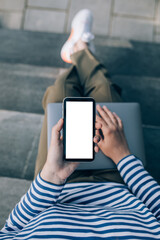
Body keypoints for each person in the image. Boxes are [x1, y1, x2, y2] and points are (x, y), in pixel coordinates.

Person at [1, 9, 160, 239]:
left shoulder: (52, 178)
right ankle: (81, 51)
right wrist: (124, 157)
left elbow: (10, 230)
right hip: (122, 181)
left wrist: (50, 176)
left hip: (55, 188)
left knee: (59, 94)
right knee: (105, 89)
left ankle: (77, 54)